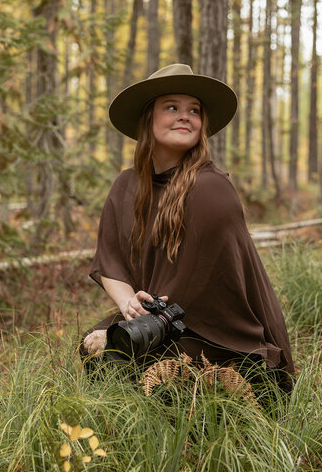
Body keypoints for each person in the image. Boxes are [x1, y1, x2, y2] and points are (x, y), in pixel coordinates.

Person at [81, 63, 294, 390]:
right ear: (148, 119)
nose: (184, 116)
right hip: (159, 318)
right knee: (92, 348)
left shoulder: (212, 188)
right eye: (171, 107)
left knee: (138, 365)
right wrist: (129, 305)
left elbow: (204, 284)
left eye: (193, 110)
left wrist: (152, 315)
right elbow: (110, 262)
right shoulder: (127, 186)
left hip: (214, 331)